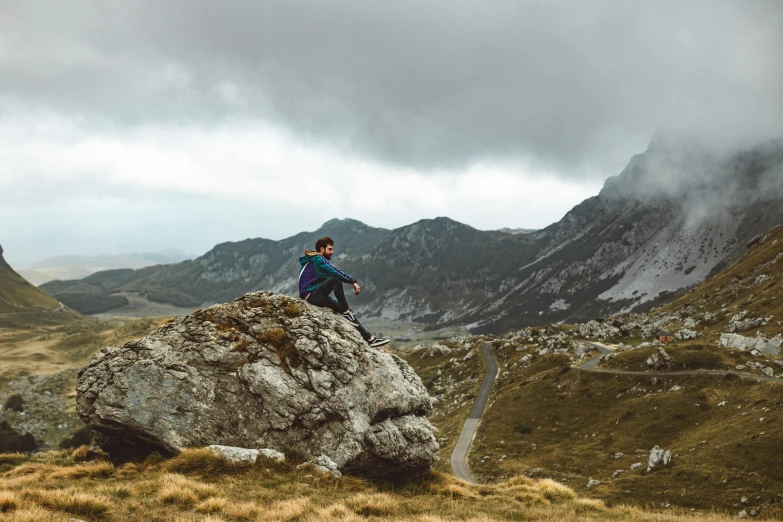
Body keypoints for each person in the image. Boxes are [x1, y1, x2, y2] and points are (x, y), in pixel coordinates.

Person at [298, 236, 390, 348]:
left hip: (315, 295)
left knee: (348, 313)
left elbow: (333, 270)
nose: (332, 252)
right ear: (322, 249)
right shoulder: (318, 259)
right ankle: (345, 310)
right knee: (335, 280)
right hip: (311, 295)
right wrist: (352, 281)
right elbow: (334, 271)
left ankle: (369, 339)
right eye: (330, 249)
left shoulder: (316, 260)